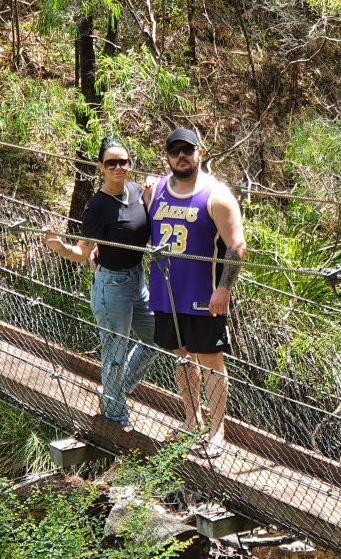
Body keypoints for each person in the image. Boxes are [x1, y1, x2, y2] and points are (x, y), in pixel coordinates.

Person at [146, 127, 247, 458]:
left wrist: (224, 288)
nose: (181, 156)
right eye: (175, 151)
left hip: (205, 295)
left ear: (199, 152)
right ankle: (192, 420)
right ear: (167, 156)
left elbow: (236, 246)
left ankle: (217, 432)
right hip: (166, 293)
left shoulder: (217, 195)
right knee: (182, 357)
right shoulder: (156, 190)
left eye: (187, 150)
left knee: (211, 361)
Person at [43, 137, 155, 428]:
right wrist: (61, 247)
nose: (118, 167)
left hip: (137, 279)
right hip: (111, 286)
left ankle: (112, 393)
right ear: (101, 167)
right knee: (115, 353)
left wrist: (155, 188)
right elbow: (83, 252)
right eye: (111, 163)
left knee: (157, 338)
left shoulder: (137, 191)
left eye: (123, 162)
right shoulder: (96, 206)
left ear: (130, 164)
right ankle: (116, 418)